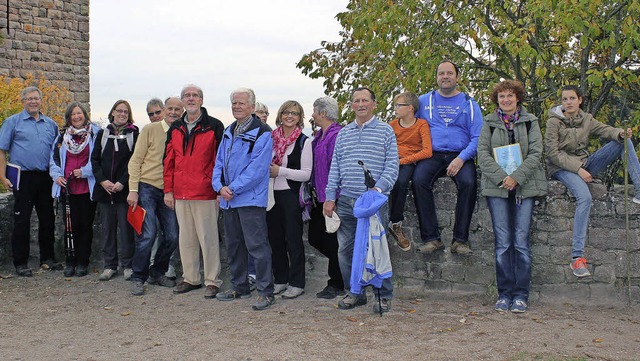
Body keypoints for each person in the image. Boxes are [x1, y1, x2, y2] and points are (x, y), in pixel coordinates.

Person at [545, 85, 640, 278]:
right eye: (565, 99)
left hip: (584, 164)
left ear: (580, 100)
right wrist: (578, 170)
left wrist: (621, 133)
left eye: (572, 98)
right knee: (585, 198)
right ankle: (577, 258)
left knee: (623, 142)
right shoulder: (554, 122)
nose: (568, 102)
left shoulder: (586, 119)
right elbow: (552, 154)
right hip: (562, 168)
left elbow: (606, 130)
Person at [323, 87, 398, 313]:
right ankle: (354, 292)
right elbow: (335, 166)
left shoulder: (386, 131)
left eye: (365, 100)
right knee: (345, 250)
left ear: (374, 104)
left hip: (374, 202)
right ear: (352, 105)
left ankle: (383, 296)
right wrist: (329, 197)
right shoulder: (344, 133)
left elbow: (393, 166)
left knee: (377, 248)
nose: (361, 104)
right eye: (356, 101)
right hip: (346, 200)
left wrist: (377, 190)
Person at [478, 80, 547, 313]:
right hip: (496, 188)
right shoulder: (488, 122)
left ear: (518, 98)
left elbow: (537, 152)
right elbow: (482, 154)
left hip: (524, 188)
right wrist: (502, 178)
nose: (505, 100)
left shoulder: (530, 122)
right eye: (501, 97)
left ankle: (520, 295)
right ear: (496, 100)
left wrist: (516, 177)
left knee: (520, 242)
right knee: (503, 243)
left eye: (509, 96)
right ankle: (504, 294)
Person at [212, 87, 275, 311]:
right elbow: (219, 162)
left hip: (250, 199)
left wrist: (232, 188)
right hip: (230, 199)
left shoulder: (263, 132)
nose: (237, 106)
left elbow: (257, 169)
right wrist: (219, 187)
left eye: (241, 103)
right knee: (234, 245)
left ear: (251, 106)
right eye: (234, 103)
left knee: (257, 246)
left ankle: (266, 292)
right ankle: (239, 286)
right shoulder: (229, 130)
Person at [415, 60, 483, 255]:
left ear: (457, 77)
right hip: (432, 153)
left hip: (461, 154)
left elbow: (478, 137)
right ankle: (432, 238)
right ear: (436, 77)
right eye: (441, 73)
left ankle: (460, 240)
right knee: (419, 180)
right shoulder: (423, 101)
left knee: (469, 183)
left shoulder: (470, 104)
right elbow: (411, 124)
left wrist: (462, 158)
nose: (445, 77)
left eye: (449, 73)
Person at [164, 84, 224, 299]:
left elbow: (220, 161)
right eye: (187, 96)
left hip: (205, 191)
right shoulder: (175, 128)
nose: (191, 99)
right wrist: (168, 191)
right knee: (186, 238)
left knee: (208, 238)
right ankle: (191, 278)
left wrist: (217, 189)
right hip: (181, 192)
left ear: (201, 99)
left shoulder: (214, 126)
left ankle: (212, 280)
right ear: (182, 101)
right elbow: (168, 161)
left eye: (195, 95)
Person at [0, 86, 61, 276]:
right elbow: (2, 150)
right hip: (22, 177)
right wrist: (2, 176)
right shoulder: (12, 122)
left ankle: (48, 258)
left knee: (47, 218)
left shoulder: (51, 125)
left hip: (45, 177)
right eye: (29, 99)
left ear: (41, 101)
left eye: (36, 98)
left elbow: (58, 153)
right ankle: (21, 262)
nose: (33, 101)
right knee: (22, 220)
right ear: (22, 101)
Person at [127, 97, 183, 296]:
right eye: (170, 109)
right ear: (164, 110)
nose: (173, 112)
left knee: (173, 236)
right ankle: (138, 277)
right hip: (147, 187)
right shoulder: (150, 130)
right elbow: (135, 161)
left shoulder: (182, 132)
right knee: (148, 234)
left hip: (169, 190)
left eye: (178, 109)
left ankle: (157, 272)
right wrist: (133, 190)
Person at [267, 100, 312, 299]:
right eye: (286, 112)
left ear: (299, 117)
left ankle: (297, 283)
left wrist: (280, 171)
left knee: (293, 240)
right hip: (270, 194)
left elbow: (306, 174)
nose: (290, 116)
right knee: (274, 239)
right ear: (280, 115)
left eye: (294, 113)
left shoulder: (304, 142)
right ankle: (280, 279)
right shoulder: (270, 138)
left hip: (291, 195)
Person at [50, 102, 100, 278]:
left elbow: (99, 160)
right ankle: (70, 260)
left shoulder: (94, 134)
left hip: (86, 187)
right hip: (67, 188)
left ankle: (82, 262)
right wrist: (57, 176)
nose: (76, 117)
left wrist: (85, 172)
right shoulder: (62, 136)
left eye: (79, 113)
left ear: (85, 115)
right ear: (69, 117)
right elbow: (54, 160)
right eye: (73, 114)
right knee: (69, 227)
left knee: (85, 226)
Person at [91, 99, 139, 281]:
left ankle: (128, 265)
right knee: (107, 229)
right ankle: (109, 265)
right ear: (112, 112)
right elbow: (95, 160)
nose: (122, 114)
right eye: (119, 111)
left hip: (124, 190)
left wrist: (121, 182)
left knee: (126, 230)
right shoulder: (102, 134)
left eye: (125, 112)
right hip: (105, 191)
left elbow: (134, 161)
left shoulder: (134, 134)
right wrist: (103, 181)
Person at [308, 96, 345, 299]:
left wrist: (332, 197)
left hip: (332, 197)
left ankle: (337, 282)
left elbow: (337, 168)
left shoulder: (336, 135)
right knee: (316, 237)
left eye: (314, 111)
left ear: (322, 113)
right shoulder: (320, 136)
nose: (312, 115)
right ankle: (344, 270)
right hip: (319, 196)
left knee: (332, 241)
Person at [388, 91, 432, 251]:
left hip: (408, 162)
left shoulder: (421, 125)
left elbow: (427, 151)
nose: (395, 108)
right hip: (391, 160)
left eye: (399, 105)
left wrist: (403, 160)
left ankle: (395, 223)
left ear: (410, 108)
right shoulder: (392, 125)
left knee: (401, 182)